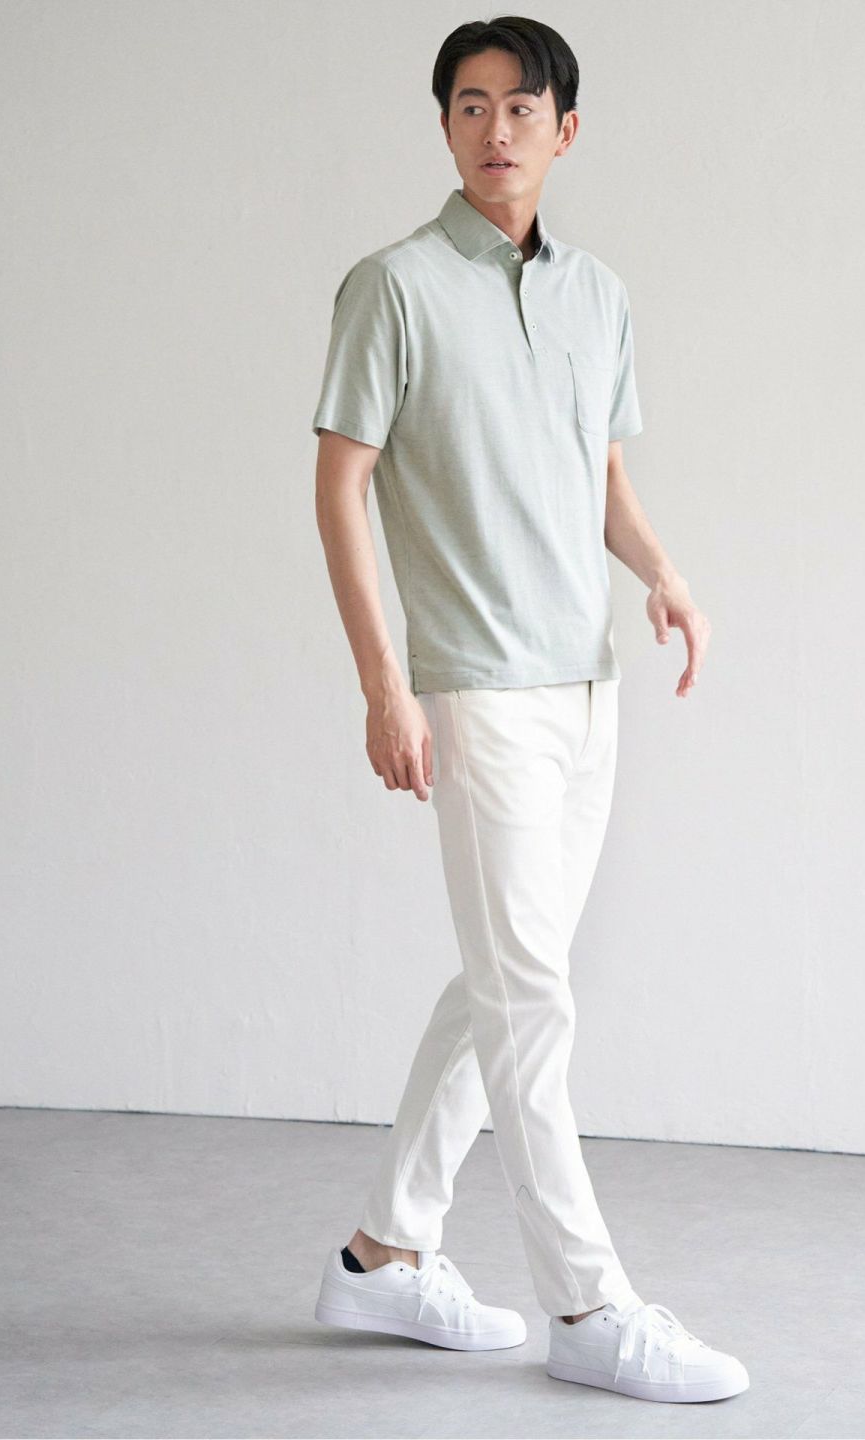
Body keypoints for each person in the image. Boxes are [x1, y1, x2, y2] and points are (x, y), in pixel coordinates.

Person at [309, 15, 748, 1406]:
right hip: (475, 687)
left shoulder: (598, 295)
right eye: (469, 104)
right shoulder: (391, 288)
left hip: (587, 683)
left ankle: (384, 1254)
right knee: (532, 1000)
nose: (494, 128)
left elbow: (597, 474)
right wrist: (386, 685)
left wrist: (664, 574)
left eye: (520, 105)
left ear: (566, 129)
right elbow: (340, 490)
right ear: (445, 125)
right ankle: (589, 1304)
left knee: (508, 977)